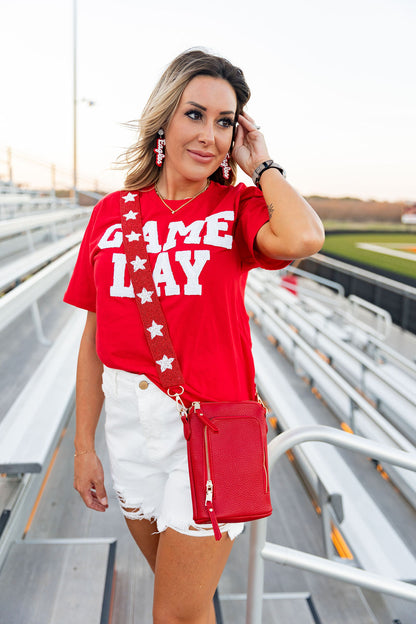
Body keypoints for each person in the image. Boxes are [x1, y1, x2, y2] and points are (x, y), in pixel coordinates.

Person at [64, 48, 324, 624]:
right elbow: (93, 336)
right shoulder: (111, 214)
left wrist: (264, 165)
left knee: (174, 613)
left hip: (209, 432)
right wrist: (84, 447)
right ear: (164, 120)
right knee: (184, 602)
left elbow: (305, 236)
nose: (210, 134)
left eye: (225, 122)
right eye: (195, 114)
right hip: (130, 429)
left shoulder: (237, 206)